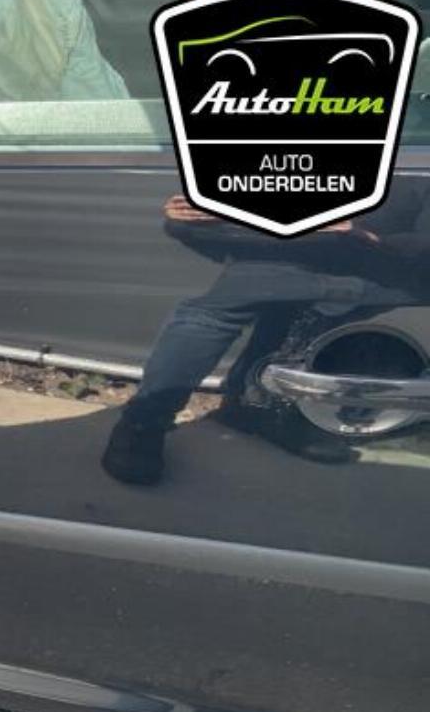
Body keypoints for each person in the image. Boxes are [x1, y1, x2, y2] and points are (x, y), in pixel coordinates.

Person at [101, 183, 430, 486]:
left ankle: (256, 407)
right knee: (213, 315)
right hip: (281, 256)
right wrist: (193, 214)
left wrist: (364, 235)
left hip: (383, 267)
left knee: (308, 316)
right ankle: (144, 422)